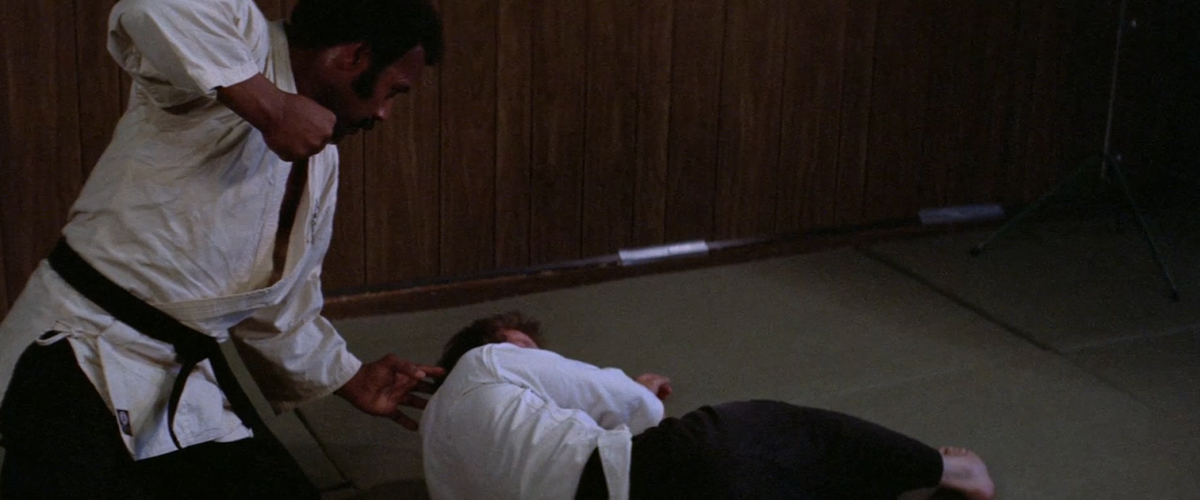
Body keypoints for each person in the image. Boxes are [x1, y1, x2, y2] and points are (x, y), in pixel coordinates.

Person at [0, 0, 444, 498]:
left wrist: (351, 378)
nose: (383, 113)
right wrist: (271, 106)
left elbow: (275, 307)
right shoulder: (242, 49)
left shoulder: (320, 162)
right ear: (354, 56)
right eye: (392, 92)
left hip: (179, 376)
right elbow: (152, 5)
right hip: (75, 350)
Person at [421, 312, 996, 500]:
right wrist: (640, 393)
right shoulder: (488, 360)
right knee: (794, 432)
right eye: (528, 346)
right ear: (496, 342)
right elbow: (621, 401)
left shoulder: (434, 454)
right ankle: (953, 469)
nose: (538, 354)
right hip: (660, 473)